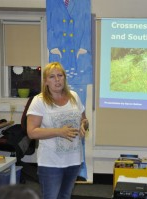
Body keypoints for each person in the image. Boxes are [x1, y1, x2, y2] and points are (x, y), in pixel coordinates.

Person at [26, 62, 89, 199]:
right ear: (45, 81)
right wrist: (59, 131)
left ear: (65, 78)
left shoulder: (74, 96)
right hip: (51, 162)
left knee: (65, 196)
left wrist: (84, 126)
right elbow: (31, 132)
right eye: (52, 77)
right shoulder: (39, 101)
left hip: (73, 159)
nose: (57, 79)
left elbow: (84, 120)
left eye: (60, 75)